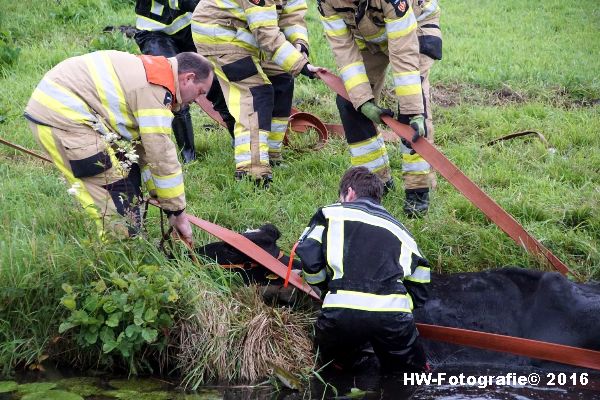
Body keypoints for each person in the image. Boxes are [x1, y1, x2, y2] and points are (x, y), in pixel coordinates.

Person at [24, 50, 214, 242]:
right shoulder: (157, 88)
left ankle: (131, 246)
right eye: (200, 92)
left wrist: (159, 195)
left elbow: (145, 150)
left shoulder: (155, 71)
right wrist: (178, 214)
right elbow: (161, 154)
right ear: (188, 78)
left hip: (62, 113)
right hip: (62, 120)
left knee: (128, 171)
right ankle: (121, 259)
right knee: (116, 200)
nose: (198, 101)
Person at [296, 166, 430, 373]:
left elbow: (310, 257)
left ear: (348, 193)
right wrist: (402, 305)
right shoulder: (401, 230)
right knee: (410, 378)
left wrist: (326, 290)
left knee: (336, 372)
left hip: (340, 314)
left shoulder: (331, 213)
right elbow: (421, 281)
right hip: (393, 317)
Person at [318, 0, 438, 217]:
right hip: (371, 36)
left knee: (412, 106)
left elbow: (404, 55)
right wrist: (363, 101)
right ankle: (375, 180)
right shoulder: (326, 2)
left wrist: (413, 110)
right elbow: (344, 51)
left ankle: (418, 189)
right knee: (349, 102)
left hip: (415, 27)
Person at [191, 0, 323, 186]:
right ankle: (251, 171)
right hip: (220, 35)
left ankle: (271, 155)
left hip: (251, 33)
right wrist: (301, 65)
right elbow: (266, 34)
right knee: (255, 93)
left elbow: (293, 15)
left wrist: (299, 44)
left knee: (282, 80)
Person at [134, 0, 236, 162]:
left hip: (190, 23)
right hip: (154, 31)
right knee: (173, 85)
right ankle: (188, 156)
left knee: (214, 80)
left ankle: (238, 137)